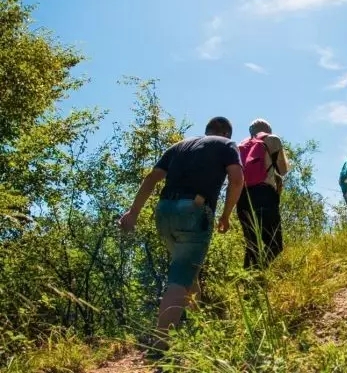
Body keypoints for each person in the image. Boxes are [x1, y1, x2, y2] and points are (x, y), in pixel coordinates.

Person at [118, 116, 244, 354]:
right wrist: (226, 215)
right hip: (193, 211)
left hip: (164, 212)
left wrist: (133, 212)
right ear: (226, 132)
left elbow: (151, 178)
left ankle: (201, 329)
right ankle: (159, 344)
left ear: (206, 129)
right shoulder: (226, 144)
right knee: (180, 278)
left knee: (187, 273)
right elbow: (237, 180)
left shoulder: (179, 146)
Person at [236, 118, 289, 270]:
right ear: (268, 130)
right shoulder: (272, 140)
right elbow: (283, 170)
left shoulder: (240, 146)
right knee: (275, 244)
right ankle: (259, 274)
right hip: (264, 194)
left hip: (242, 197)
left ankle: (247, 282)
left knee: (252, 245)